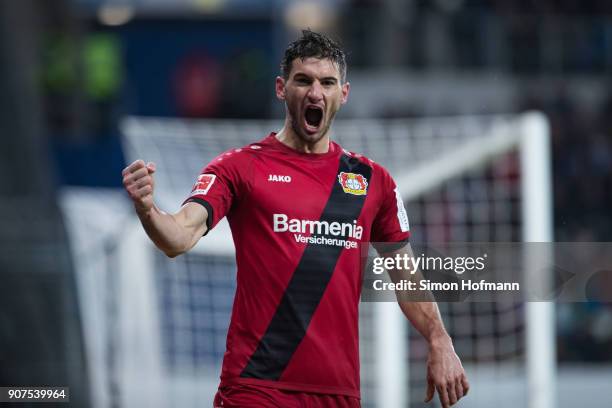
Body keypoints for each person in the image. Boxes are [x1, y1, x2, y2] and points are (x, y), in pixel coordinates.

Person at [122, 29, 468, 408]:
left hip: (338, 393)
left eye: (327, 82)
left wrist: (439, 339)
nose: (315, 92)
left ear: (344, 93)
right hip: (256, 389)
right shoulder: (240, 168)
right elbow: (178, 237)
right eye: (303, 80)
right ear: (281, 88)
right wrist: (148, 209)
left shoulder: (373, 182)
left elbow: (406, 275)